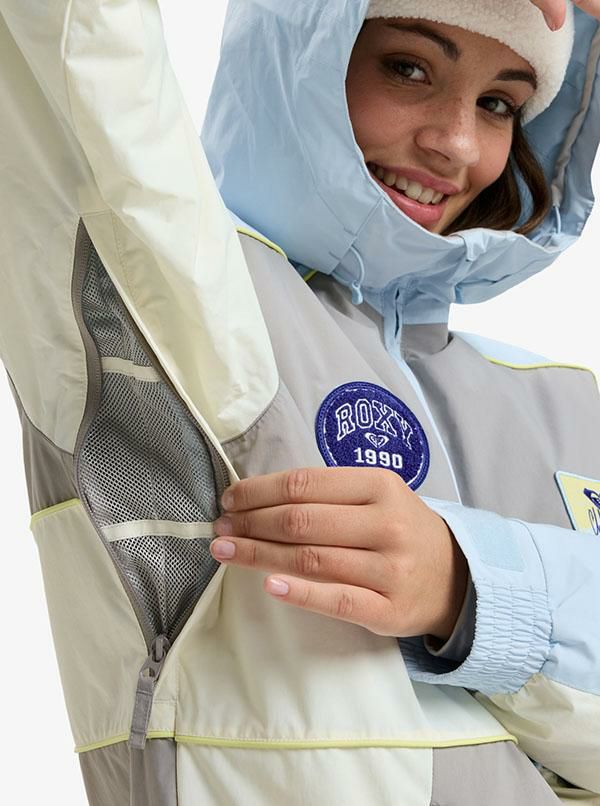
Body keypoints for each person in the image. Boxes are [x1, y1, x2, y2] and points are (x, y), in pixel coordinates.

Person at [0, 0, 599, 803]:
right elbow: (76, 43)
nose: (458, 143)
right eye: (409, 68)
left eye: (498, 103)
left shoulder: (566, 396)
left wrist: (468, 586)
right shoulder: (184, 291)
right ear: (301, 43)